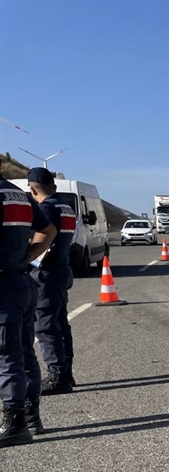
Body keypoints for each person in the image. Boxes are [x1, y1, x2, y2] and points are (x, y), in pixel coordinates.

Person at [0, 176, 56, 447]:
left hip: (3, 286)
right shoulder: (19, 195)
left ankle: (15, 423)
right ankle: (32, 418)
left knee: (6, 354)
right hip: (21, 281)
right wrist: (25, 257)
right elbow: (49, 232)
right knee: (23, 351)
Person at [26, 167, 76, 395]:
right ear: (53, 186)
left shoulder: (45, 209)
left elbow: (42, 238)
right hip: (62, 267)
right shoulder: (65, 206)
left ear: (32, 190)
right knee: (60, 323)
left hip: (46, 271)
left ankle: (57, 376)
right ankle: (66, 372)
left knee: (45, 325)